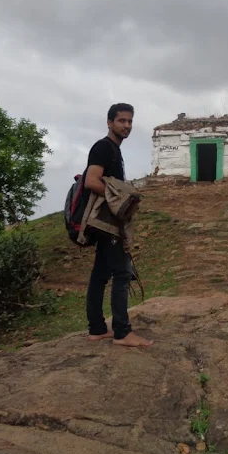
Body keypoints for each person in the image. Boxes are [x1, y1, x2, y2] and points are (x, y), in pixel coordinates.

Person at [84, 103, 153, 348]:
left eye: (130, 121)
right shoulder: (103, 148)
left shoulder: (114, 149)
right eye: (122, 121)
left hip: (107, 222)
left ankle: (97, 329)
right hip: (106, 223)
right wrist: (121, 200)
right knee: (122, 273)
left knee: (101, 274)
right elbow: (91, 181)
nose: (126, 125)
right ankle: (122, 332)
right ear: (110, 122)